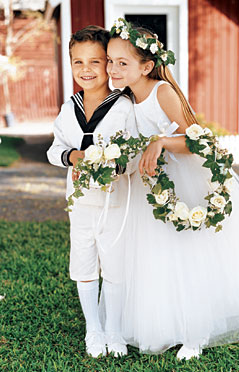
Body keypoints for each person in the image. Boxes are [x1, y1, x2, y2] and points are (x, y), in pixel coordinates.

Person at [104, 18, 239, 360]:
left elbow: (200, 140)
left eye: (123, 62)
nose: (113, 68)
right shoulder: (123, 99)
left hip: (183, 180)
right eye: (110, 60)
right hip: (148, 186)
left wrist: (162, 141)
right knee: (155, 255)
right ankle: (163, 320)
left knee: (187, 252)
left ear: (147, 65)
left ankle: (196, 331)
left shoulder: (161, 92)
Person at [47, 25, 137, 358]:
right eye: (78, 62)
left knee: (113, 267)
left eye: (95, 62)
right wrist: (71, 156)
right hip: (80, 203)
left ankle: (113, 330)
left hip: (115, 202)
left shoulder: (124, 106)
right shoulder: (67, 108)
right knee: (84, 264)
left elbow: (134, 153)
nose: (86, 70)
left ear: (109, 65)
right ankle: (93, 329)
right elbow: (54, 148)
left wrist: (116, 166)